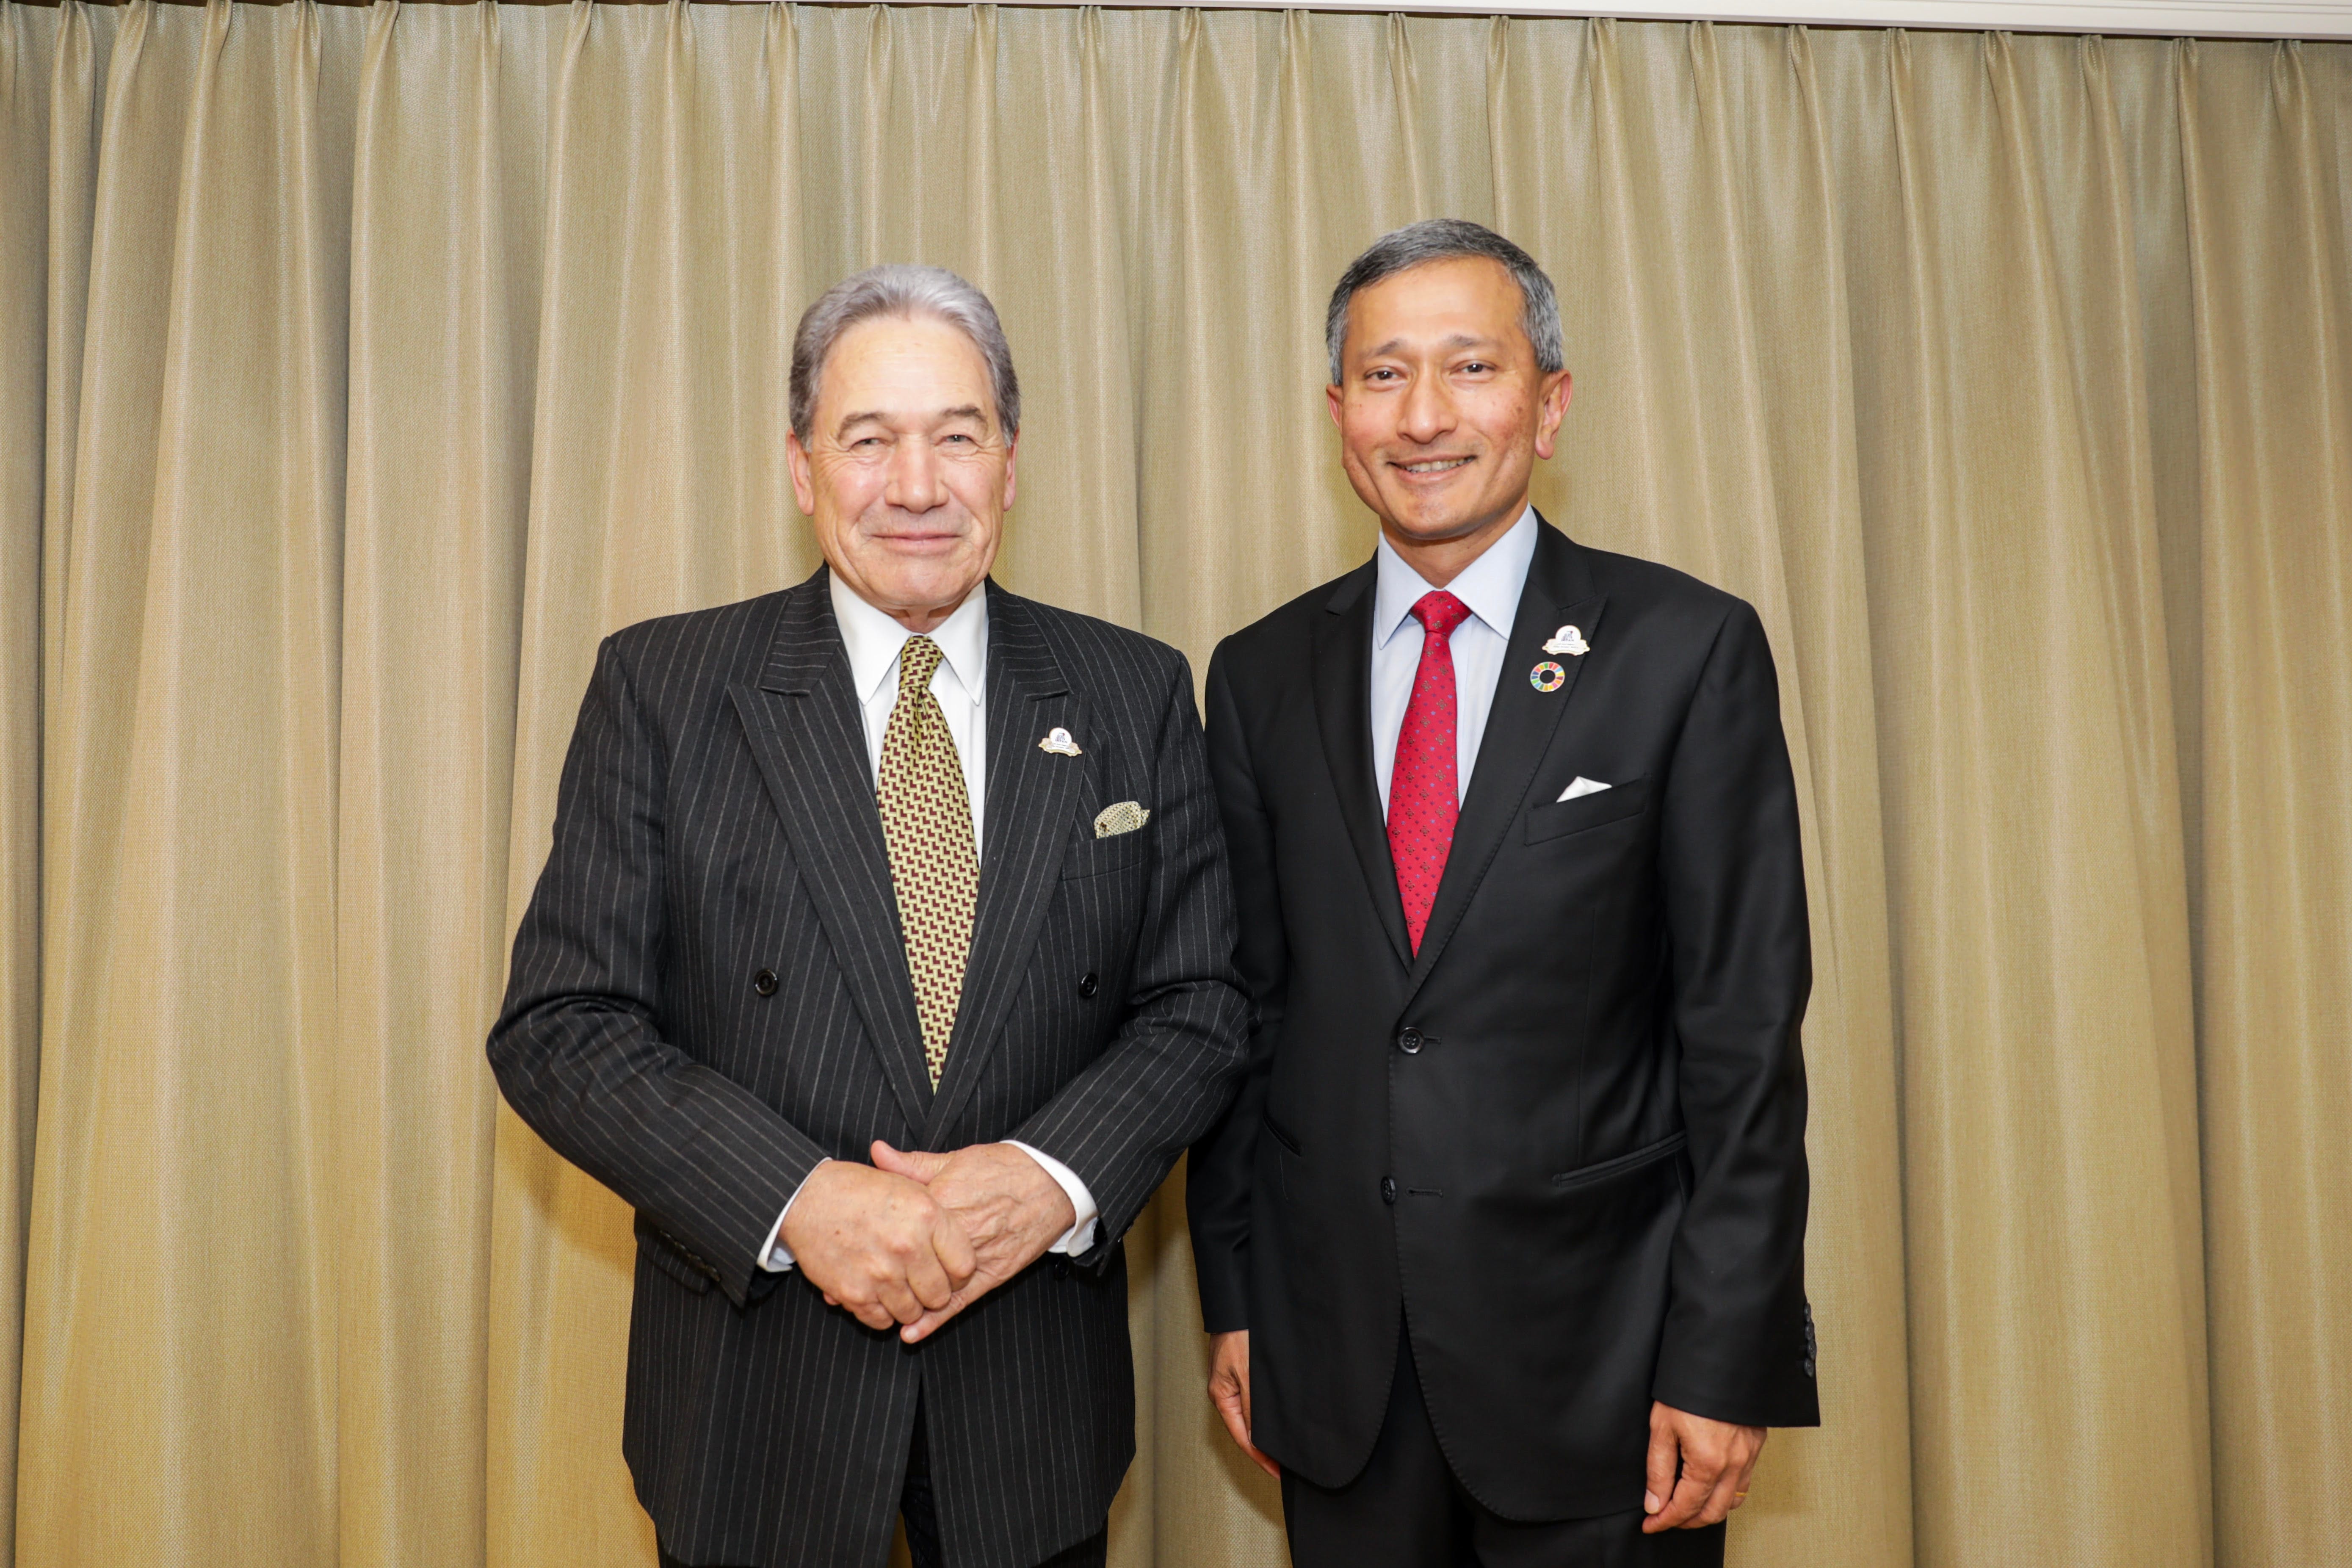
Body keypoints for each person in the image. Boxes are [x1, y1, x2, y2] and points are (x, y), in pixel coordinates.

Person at [490, 265, 1248, 1568]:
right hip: (756, 1389)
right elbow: (564, 1027)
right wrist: (797, 1201)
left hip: (1027, 1394)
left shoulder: (1132, 689)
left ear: (1009, 464)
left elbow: (1198, 1004)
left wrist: (1045, 1179)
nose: (916, 485)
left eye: (957, 435)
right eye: (869, 440)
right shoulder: (667, 687)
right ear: (800, 468)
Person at [1186, 219, 1819, 1568]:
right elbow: (1244, 1019)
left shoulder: (1683, 650)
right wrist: (1235, 1296)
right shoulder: (1253, 676)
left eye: (1470, 369)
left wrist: (1725, 1358)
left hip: (1607, 1370)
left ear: (1548, 404)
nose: (1423, 417)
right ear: (1336, 411)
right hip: (1336, 1358)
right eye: (1382, 375)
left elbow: (1742, 1039)